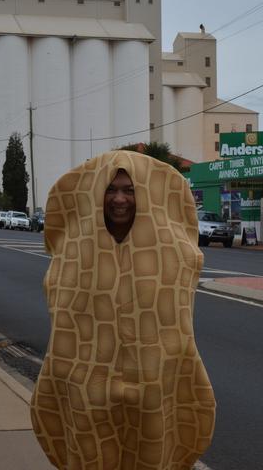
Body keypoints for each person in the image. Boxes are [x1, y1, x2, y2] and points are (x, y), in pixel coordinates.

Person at [31, 151, 216, 470]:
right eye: (111, 189)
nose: (120, 199)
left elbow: (177, 327)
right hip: (87, 384)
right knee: (91, 456)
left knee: (149, 454)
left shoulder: (169, 254)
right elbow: (63, 321)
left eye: (129, 190)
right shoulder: (75, 254)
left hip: (151, 383)